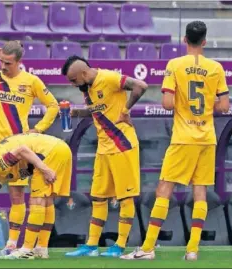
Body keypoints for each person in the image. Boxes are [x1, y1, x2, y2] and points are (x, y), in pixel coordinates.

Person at [121, 21, 230, 261]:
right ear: (204, 41)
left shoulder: (175, 65)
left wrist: (185, 102)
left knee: (164, 189)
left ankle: (148, 247)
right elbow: (223, 106)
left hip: (183, 137)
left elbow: (168, 103)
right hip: (207, 138)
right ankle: (192, 249)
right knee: (200, 191)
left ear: (184, 40)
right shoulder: (216, 68)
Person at [0, 41, 60, 257]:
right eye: (1, 61)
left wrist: (39, 129)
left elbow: (53, 106)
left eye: (8, 62)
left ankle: (12, 243)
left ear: (18, 61)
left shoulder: (31, 81)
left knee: (17, 196)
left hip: (20, 148)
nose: (3, 66)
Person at [61, 56, 148, 258]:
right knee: (98, 198)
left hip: (122, 145)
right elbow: (100, 109)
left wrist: (126, 110)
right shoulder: (88, 89)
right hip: (104, 149)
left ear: (83, 73)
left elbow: (141, 86)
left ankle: (119, 246)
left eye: (74, 80)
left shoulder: (108, 78)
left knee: (125, 198)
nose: (74, 85)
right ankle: (91, 246)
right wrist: (78, 113)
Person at [0, 133, 73, 260]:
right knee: (47, 200)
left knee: (37, 201)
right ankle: (41, 248)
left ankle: (27, 250)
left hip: (49, 152)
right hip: (61, 149)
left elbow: (22, 150)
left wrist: (44, 169)